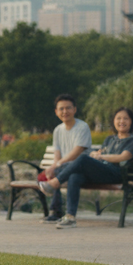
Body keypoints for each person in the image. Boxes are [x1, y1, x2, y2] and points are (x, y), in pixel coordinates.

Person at [40, 107, 133, 229]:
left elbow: (123, 157)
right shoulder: (110, 139)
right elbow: (100, 152)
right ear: (113, 121)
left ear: (131, 122)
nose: (122, 121)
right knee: (75, 176)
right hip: (103, 172)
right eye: (118, 118)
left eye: (125, 118)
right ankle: (70, 217)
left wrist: (102, 157)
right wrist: (95, 154)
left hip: (117, 174)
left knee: (83, 158)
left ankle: (55, 182)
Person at [36, 94, 92, 222]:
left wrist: (57, 166)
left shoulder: (82, 127)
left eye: (68, 108)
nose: (65, 111)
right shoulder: (58, 130)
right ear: (56, 112)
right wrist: (53, 167)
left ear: (75, 110)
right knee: (68, 175)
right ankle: (62, 214)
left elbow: (77, 152)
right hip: (69, 171)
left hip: (84, 168)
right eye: (61, 109)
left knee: (61, 172)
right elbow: (57, 155)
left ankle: (56, 211)